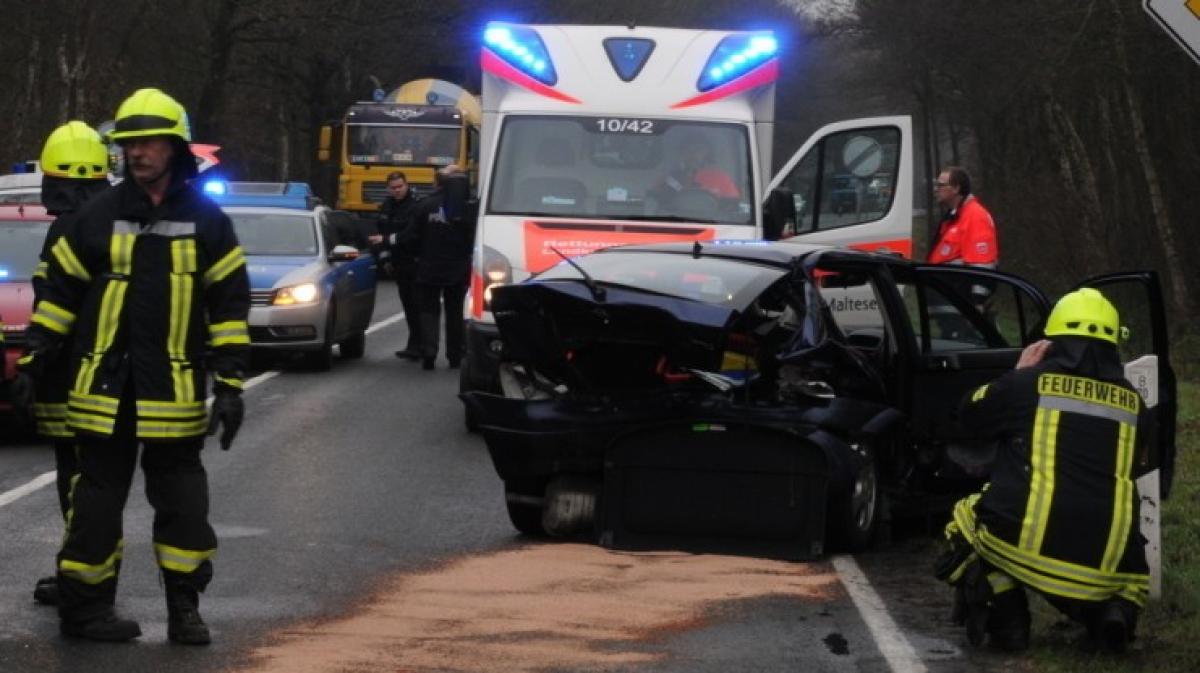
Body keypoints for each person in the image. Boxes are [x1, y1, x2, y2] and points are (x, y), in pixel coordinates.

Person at [19, 88, 250, 644]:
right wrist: (34, 357)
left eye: (147, 142)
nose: (136, 153)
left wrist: (232, 384)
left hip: (171, 390)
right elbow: (61, 293)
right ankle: (87, 611)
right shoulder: (98, 215)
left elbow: (229, 307)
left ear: (174, 148)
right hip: (103, 388)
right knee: (94, 505)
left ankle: (184, 608)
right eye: (128, 144)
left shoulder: (207, 222)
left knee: (184, 507)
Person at [935, 288, 1151, 654]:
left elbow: (969, 414)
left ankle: (1007, 616)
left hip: (1025, 545)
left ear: (1050, 341)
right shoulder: (1137, 405)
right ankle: (1113, 614)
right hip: (1108, 562)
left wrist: (1018, 373)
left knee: (963, 519)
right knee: (1132, 573)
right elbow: (1146, 464)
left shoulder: (1026, 385)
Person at [21, 121, 112, 607]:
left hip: (72, 377)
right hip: (100, 375)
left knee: (81, 482)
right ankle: (80, 572)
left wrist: (33, 363)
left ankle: (85, 579)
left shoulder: (69, 229)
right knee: (89, 480)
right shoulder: (114, 220)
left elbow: (54, 305)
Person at [399, 164, 474, 370]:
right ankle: (455, 355)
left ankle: (429, 353)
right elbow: (472, 238)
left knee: (428, 311)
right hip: (457, 269)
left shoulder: (424, 206)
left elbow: (411, 237)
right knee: (455, 311)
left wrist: (415, 255)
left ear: (436, 183)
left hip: (428, 267)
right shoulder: (466, 208)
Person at [375, 171, 423, 359]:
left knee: (417, 305)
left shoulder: (415, 206)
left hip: (414, 262)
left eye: (400, 187)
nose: (397, 191)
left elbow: (412, 235)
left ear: (407, 185)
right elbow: (380, 232)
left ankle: (421, 344)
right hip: (398, 262)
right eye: (393, 188)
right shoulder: (387, 206)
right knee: (408, 305)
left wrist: (387, 240)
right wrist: (385, 259)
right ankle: (414, 344)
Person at [660, 134, 740, 201]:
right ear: (682, 153)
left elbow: (732, 206)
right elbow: (656, 204)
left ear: (707, 154)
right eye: (688, 150)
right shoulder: (669, 178)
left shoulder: (721, 178)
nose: (693, 154)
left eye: (698, 149)